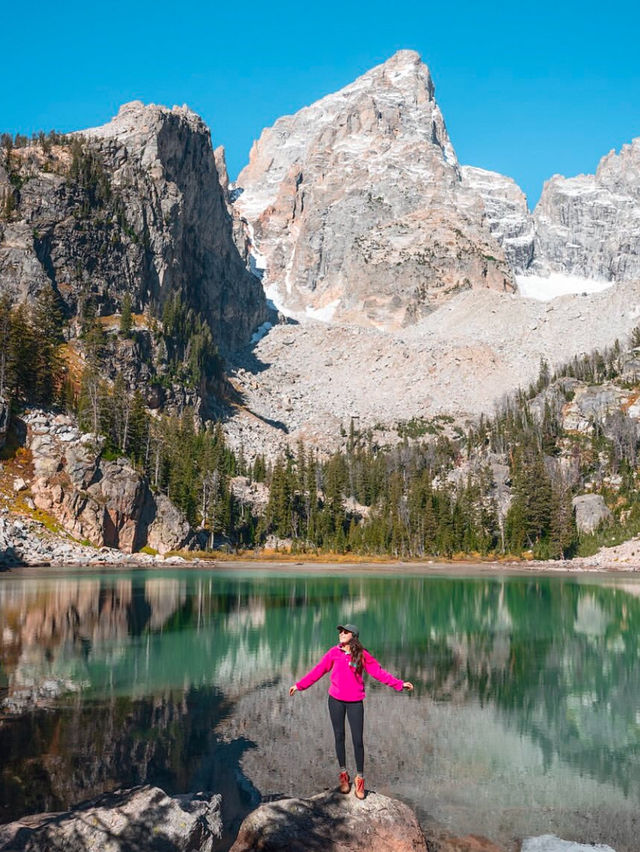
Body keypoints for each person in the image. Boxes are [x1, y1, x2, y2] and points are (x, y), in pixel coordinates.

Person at [289, 622, 413, 800]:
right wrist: (299, 685)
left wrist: (399, 684)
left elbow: (378, 673)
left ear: (353, 636)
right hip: (335, 701)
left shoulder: (362, 655)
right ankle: (343, 776)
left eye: (345, 632)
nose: (341, 633)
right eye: (340, 630)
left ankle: (360, 779)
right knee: (339, 737)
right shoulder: (334, 652)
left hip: (355, 702)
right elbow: (318, 671)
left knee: (358, 741)